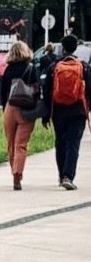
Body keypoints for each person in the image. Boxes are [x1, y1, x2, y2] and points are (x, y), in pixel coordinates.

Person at [42, 33, 91, 190]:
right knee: (73, 143)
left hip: (58, 110)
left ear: (62, 48)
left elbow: (46, 91)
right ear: (76, 48)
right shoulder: (83, 67)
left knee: (60, 142)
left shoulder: (54, 67)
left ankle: (61, 174)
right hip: (78, 111)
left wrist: (45, 115)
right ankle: (68, 176)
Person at [0, 39, 38, 190]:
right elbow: (37, 89)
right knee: (21, 144)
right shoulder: (31, 68)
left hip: (10, 107)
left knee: (11, 144)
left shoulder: (8, 70)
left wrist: (4, 109)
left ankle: (14, 173)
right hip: (26, 109)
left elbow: (3, 91)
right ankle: (18, 173)